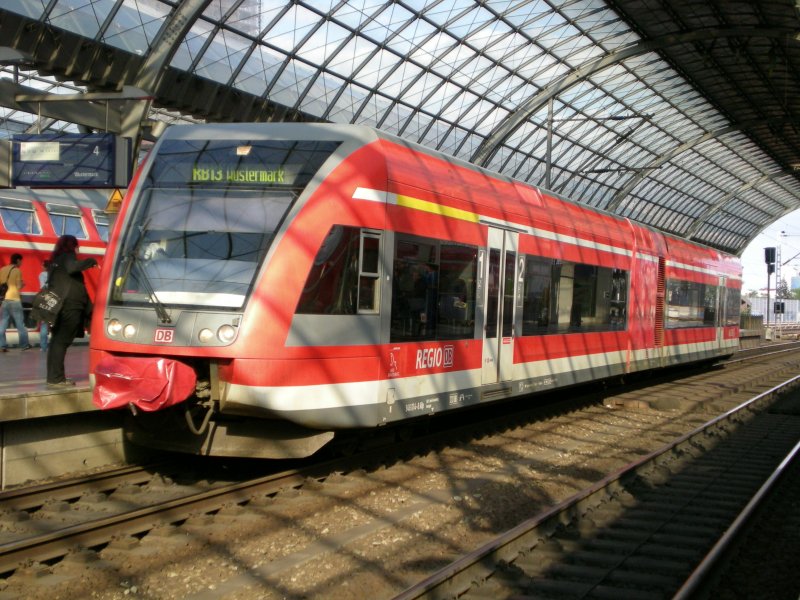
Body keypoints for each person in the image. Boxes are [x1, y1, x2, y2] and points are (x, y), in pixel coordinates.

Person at [46, 235, 97, 388]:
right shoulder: (67, 257)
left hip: (59, 305)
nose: (78, 250)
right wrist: (91, 261)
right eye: (76, 246)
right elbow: (72, 267)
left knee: (57, 342)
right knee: (61, 342)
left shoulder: (55, 261)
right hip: (70, 306)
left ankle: (54, 377)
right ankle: (56, 379)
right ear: (72, 247)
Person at [0, 253, 32, 352]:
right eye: (21, 261)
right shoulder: (17, 270)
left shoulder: (2, 269)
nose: (21, 263)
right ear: (18, 260)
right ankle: (24, 345)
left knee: (3, 323)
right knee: (20, 324)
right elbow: (18, 286)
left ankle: (2, 345)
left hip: (5, 300)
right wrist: (22, 284)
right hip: (14, 299)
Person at [38, 260, 51, 352]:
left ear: (44, 266)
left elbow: (43, 287)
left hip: (45, 299)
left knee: (44, 323)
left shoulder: (42, 275)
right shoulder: (54, 275)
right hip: (55, 299)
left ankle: (43, 346)